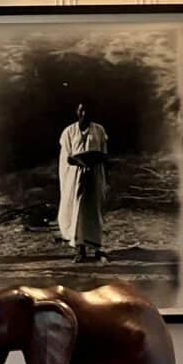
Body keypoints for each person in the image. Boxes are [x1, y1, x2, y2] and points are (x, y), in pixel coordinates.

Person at [57, 102, 108, 263]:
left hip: (94, 175)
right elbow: (66, 158)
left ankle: (98, 249)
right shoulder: (68, 132)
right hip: (75, 176)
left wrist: (96, 164)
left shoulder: (99, 130)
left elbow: (104, 154)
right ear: (77, 112)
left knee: (94, 210)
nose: (85, 113)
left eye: (88, 110)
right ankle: (80, 250)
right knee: (77, 211)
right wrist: (80, 162)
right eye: (82, 110)